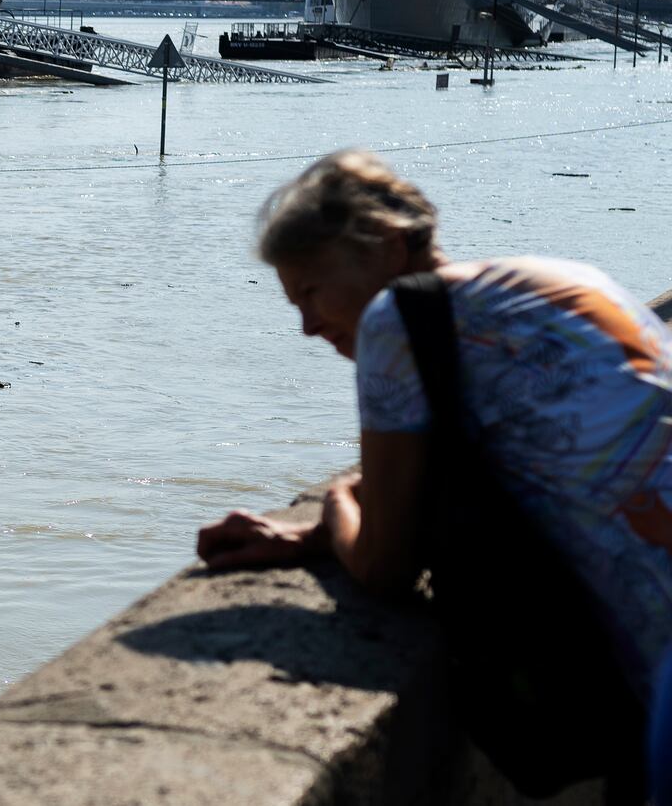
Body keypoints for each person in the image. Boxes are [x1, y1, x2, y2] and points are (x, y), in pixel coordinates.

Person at [196, 149, 672, 793]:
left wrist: (336, 506)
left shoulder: (397, 321)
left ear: (390, 249)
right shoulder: (559, 278)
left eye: (310, 291)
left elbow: (385, 567)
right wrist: (309, 539)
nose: (307, 327)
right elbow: (526, 452)